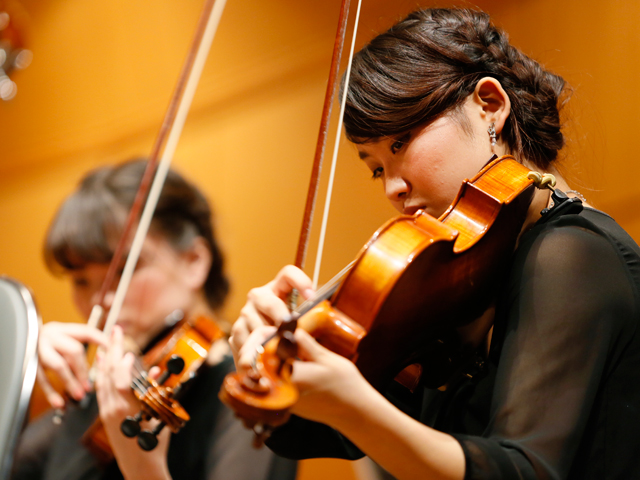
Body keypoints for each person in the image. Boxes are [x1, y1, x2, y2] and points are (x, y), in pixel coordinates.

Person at [228, 8, 640, 480]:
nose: (391, 189)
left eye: (401, 143)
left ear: (489, 104)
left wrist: (353, 407)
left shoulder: (571, 254)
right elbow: (315, 435)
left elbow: (526, 470)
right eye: (377, 167)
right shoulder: (458, 280)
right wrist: (275, 364)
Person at [10, 159, 297, 480]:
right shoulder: (109, 385)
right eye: (81, 281)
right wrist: (12, 371)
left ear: (194, 261)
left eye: (124, 270)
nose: (100, 299)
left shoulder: (250, 392)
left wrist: (144, 468)